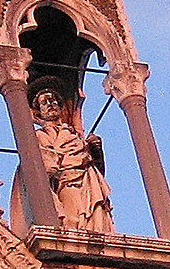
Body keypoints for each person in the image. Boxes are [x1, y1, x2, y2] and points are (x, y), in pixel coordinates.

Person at [33, 89, 114, 232]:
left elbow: (98, 170)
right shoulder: (40, 135)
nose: (50, 104)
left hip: (89, 181)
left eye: (53, 101)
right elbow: (47, 166)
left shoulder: (74, 134)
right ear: (39, 112)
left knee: (98, 223)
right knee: (73, 221)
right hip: (67, 181)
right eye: (44, 103)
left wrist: (96, 151)